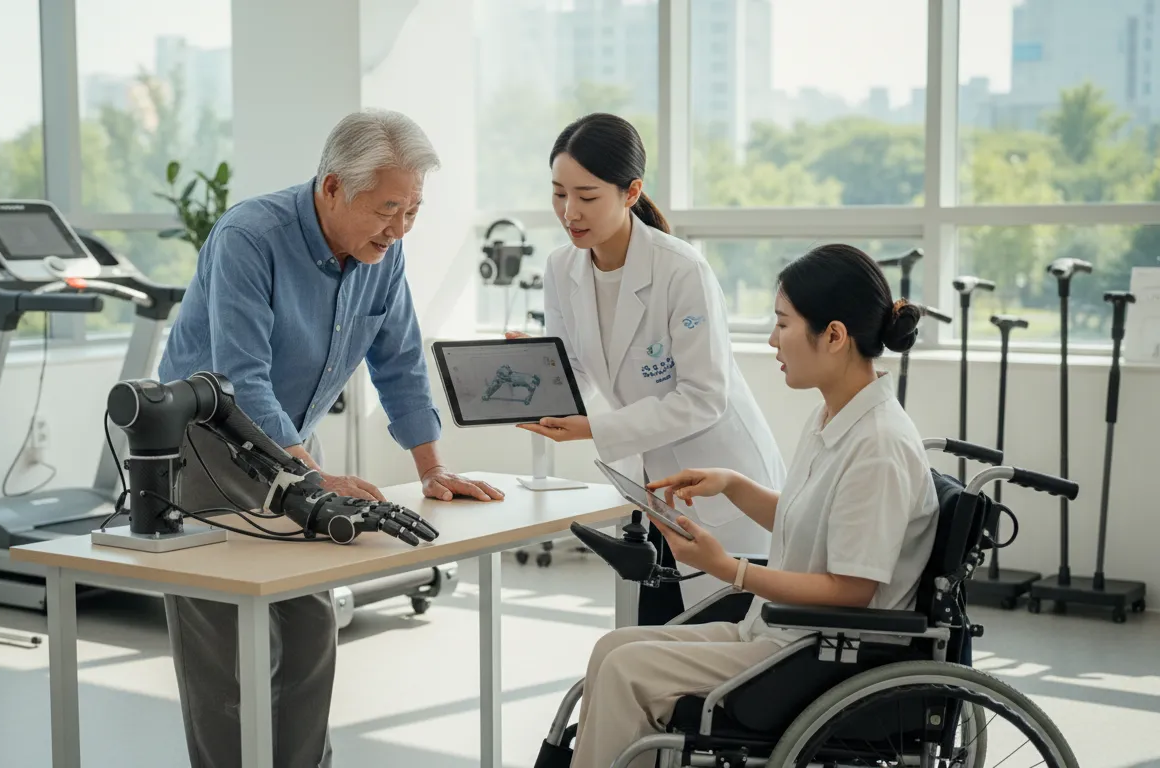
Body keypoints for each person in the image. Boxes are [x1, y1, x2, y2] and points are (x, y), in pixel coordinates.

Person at [156, 108, 504, 768]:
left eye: (413, 210)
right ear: (333, 187)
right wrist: (312, 481)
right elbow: (240, 378)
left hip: (290, 447)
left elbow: (399, 360)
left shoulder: (383, 255)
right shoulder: (249, 238)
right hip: (205, 445)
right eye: (387, 209)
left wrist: (432, 467)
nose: (399, 228)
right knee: (218, 645)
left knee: (310, 621)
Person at [563, 243, 941, 768]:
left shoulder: (879, 446)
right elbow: (807, 518)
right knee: (611, 650)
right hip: (779, 632)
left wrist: (729, 570)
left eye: (783, 324)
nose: (772, 339)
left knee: (629, 672)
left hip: (820, 653)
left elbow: (852, 591)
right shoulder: (834, 417)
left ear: (833, 336)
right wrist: (734, 484)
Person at [513, 113, 785, 619]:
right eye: (558, 194)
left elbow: (704, 396)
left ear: (631, 191)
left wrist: (593, 428)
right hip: (653, 488)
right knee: (660, 635)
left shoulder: (681, 269)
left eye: (587, 196)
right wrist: (533, 367)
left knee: (722, 644)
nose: (569, 211)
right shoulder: (561, 267)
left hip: (724, 482)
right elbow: (580, 367)